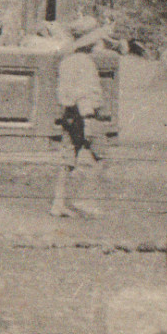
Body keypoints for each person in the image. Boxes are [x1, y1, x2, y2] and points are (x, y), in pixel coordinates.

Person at [52, 45, 106, 218]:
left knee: (67, 159)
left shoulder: (66, 62)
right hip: (84, 114)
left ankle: (58, 204)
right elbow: (84, 93)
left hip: (69, 113)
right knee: (99, 155)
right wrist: (88, 120)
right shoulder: (86, 63)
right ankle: (84, 200)